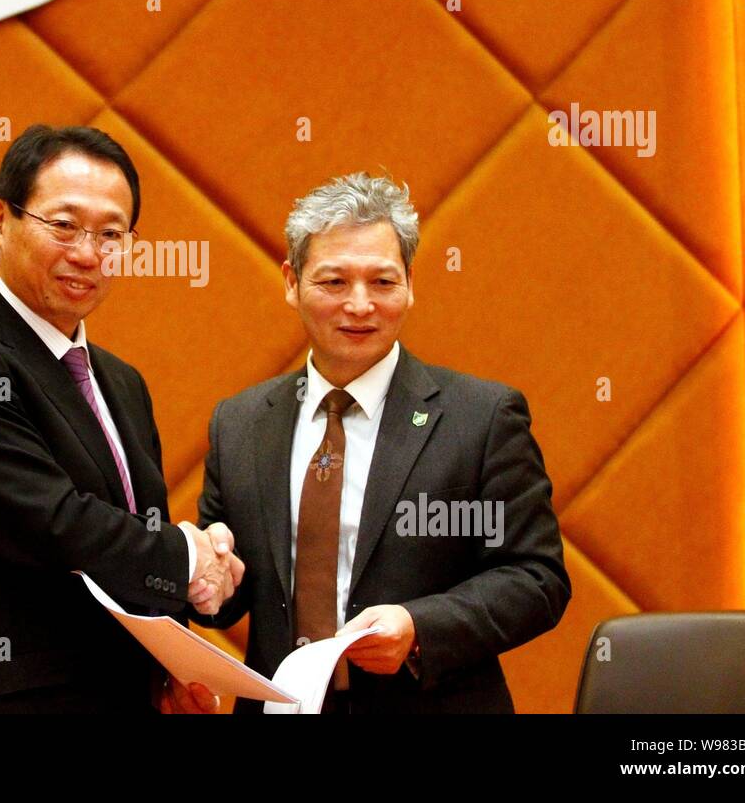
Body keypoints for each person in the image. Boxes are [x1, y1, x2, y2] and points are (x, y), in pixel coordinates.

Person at [193, 172, 571, 713]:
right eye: (334, 282)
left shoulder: (482, 417)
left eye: (383, 282)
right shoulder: (241, 423)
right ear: (290, 283)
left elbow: (537, 579)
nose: (361, 305)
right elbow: (226, 598)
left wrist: (419, 627)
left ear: (411, 284)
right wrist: (209, 578)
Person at [0, 123, 241, 714]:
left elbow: (125, 541)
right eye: (63, 225)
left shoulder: (122, 383)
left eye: (111, 233)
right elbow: (52, 523)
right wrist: (186, 557)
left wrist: (172, 650)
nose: (88, 253)